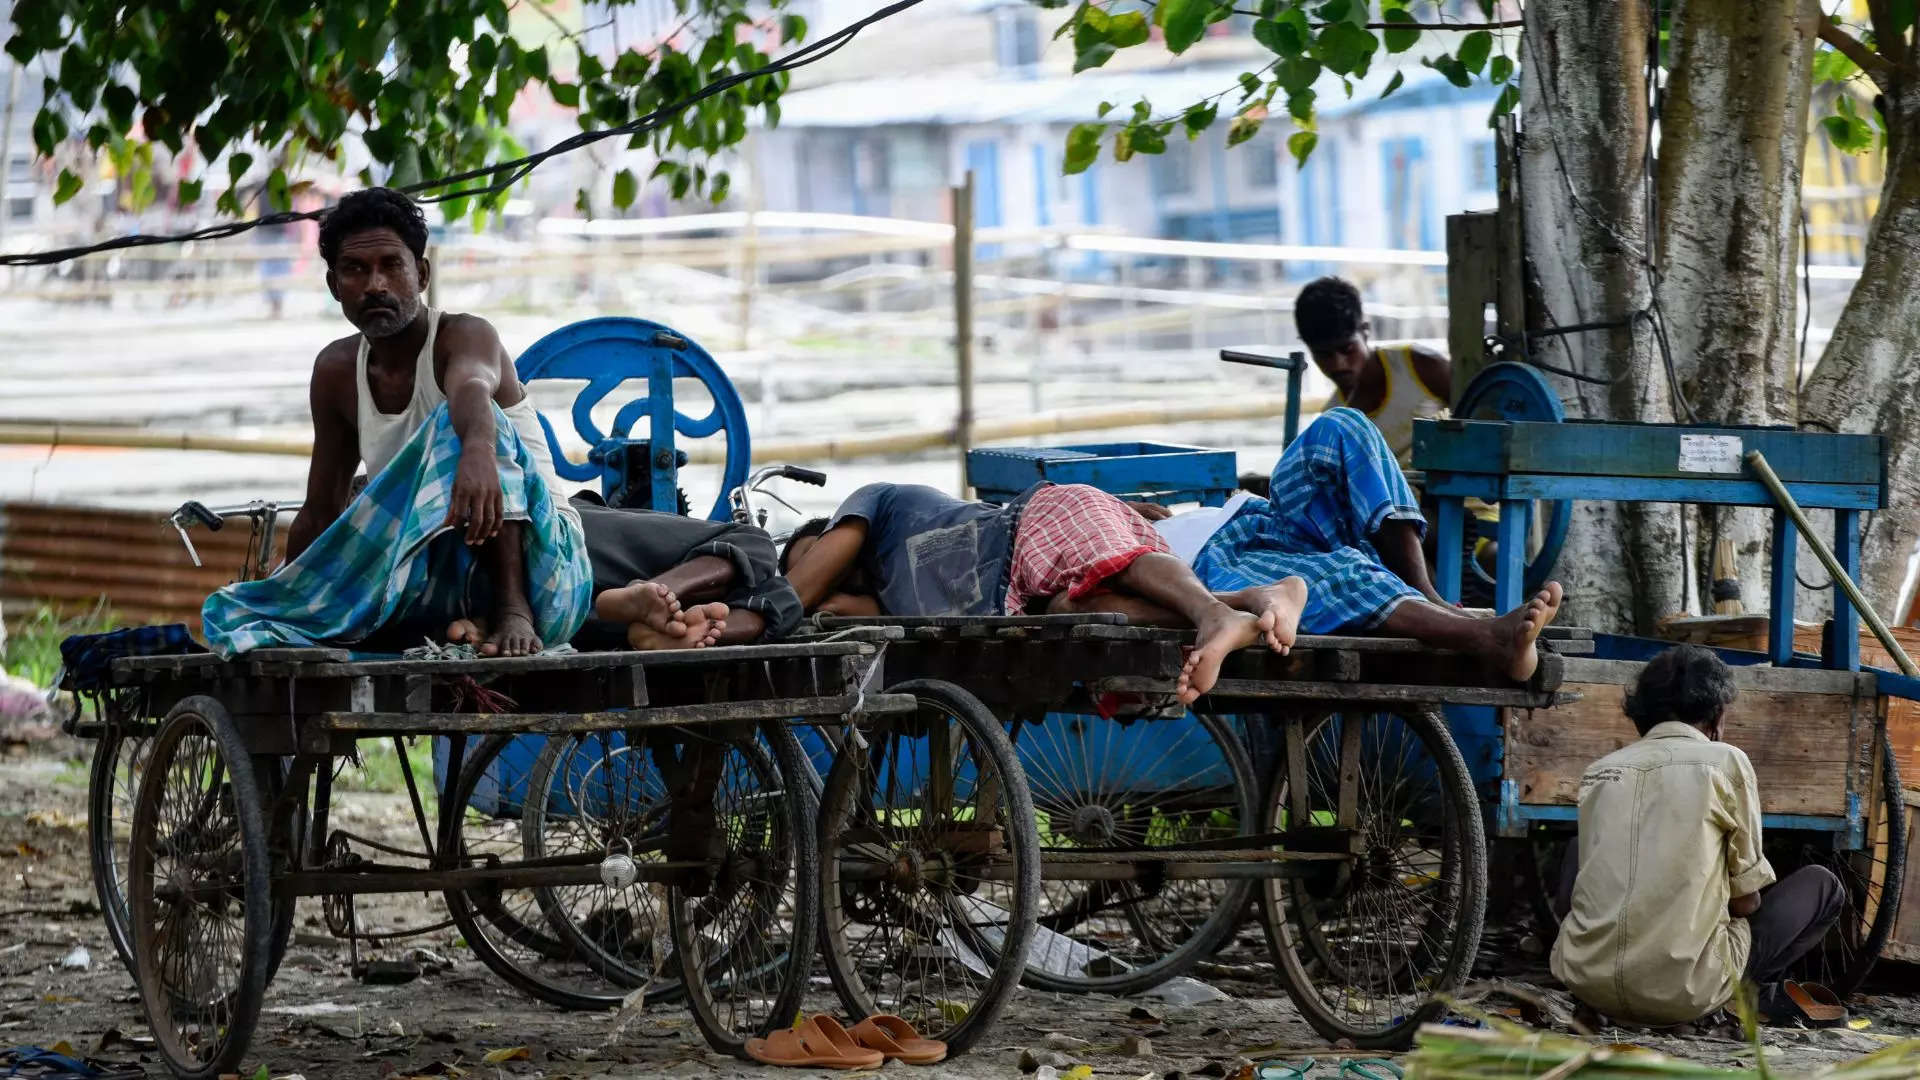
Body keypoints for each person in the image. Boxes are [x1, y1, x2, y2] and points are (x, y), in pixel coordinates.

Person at [202, 187, 593, 658]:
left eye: (391, 265)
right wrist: (286, 589)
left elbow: (471, 391)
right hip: (431, 575)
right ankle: (473, 618)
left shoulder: (466, 335)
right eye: (355, 270)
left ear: (421, 274)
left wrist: (477, 451)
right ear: (333, 285)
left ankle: (511, 608)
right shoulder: (336, 372)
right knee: (235, 610)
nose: (375, 285)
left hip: (548, 579)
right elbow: (320, 509)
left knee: (466, 424)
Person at [779, 482, 1306, 704]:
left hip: (1039, 520)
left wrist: (768, 598)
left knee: (1108, 562)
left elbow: (797, 597)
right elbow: (827, 609)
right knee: (1077, 608)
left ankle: (1212, 614)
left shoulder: (873, 504)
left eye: (809, 551)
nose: (815, 569)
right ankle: (1251, 601)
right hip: (1033, 591)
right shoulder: (895, 593)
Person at [1151, 407, 1561, 682]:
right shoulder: (1118, 544)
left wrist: (1148, 512)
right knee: (1334, 572)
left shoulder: (1121, 513)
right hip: (1206, 566)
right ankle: (1485, 639)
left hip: (1253, 516)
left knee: (1342, 426)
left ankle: (1428, 595)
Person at [1551, 645, 1846, 1026]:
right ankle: (1742, 997)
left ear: (1642, 712)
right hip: (1685, 992)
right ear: (1718, 714)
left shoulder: (1600, 771)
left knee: (1579, 847)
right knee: (1824, 887)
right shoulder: (1725, 761)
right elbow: (1745, 904)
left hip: (1587, 981)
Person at [1293, 276, 1452, 472]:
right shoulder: (1335, 421)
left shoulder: (1421, 366)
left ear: (1365, 331)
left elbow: (1482, 414)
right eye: (1323, 354)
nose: (1338, 364)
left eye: (1348, 349)